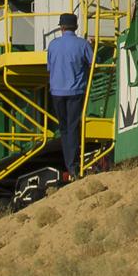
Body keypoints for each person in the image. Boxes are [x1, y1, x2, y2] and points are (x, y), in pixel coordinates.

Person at [46, 10, 94, 183]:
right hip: (75, 92)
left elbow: (50, 68)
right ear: (76, 27)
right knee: (73, 128)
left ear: (61, 28)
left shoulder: (53, 45)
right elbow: (92, 63)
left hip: (57, 92)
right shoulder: (82, 45)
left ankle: (70, 165)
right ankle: (73, 167)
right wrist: (92, 45)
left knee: (64, 129)